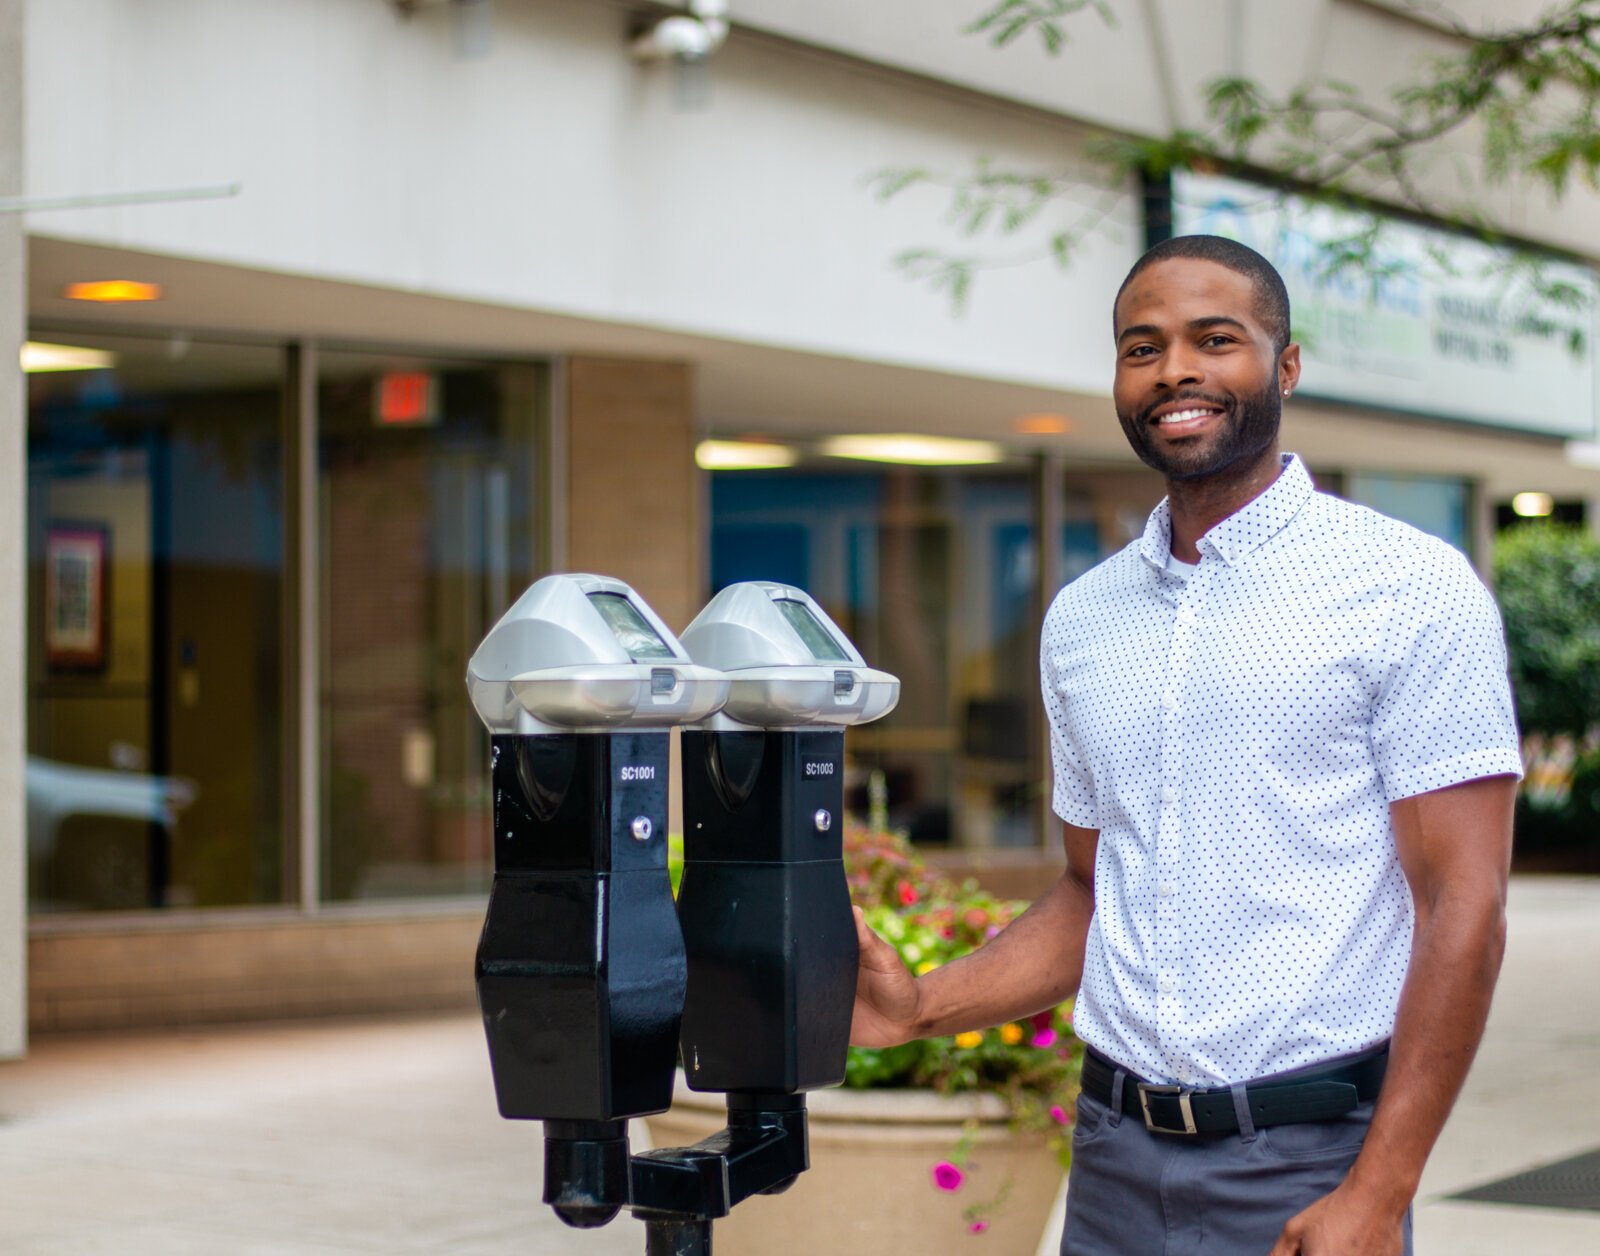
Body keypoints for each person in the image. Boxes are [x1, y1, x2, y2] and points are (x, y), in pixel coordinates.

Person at [849, 234, 1523, 1255]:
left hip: (1307, 1159)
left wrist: (1379, 1189)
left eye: (1216, 339)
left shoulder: (1407, 588)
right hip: (1114, 1158)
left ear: (1284, 365)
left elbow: (1462, 906)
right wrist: (920, 1006)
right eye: (1141, 346)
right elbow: (1091, 889)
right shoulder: (1082, 619)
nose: (1176, 371)